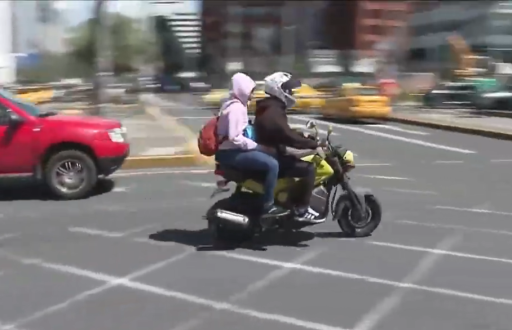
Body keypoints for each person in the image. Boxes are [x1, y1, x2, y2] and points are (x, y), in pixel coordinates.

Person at [254, 72, 324, 223]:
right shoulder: (273, 111)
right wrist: (312, 144)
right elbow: (286, 135)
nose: (291, 92)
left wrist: (302, 136)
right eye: (288, 89)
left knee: (299, 159)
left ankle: (291, 200)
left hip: (272, 151)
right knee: (309, 168)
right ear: (278, 89)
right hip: (273, 154)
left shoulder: (271, 107)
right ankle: (302, 209)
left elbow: (283, 131)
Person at [215, 72, 288, 218]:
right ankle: (268, 205)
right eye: (250, 91)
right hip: (231, 153)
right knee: (272, 164)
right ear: (242, 90)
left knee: (273, 154)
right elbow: (235, 137)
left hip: (233, 150)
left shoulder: (236, 105)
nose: (252, 95)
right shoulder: (235, 108)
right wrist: (256, 146)